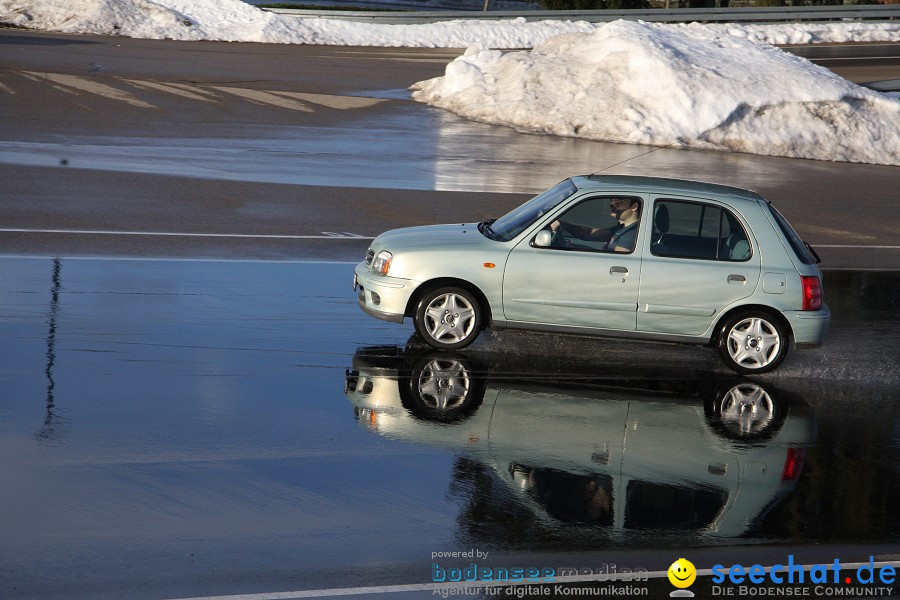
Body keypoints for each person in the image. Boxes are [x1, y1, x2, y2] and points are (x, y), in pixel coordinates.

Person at [550, 197, 641, 253]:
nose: (611, 204)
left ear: (634, 207)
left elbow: (616, 262)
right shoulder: (622, 228)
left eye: (617, 200)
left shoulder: (632, 234)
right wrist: (564, 224)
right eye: (612, 200)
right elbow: (589, 234)